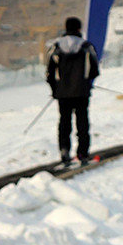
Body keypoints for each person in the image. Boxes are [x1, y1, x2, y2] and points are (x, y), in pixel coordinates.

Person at [46, 17, 100, 165]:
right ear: (79, 29)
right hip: (82, 92)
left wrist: (55, 89)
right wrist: (87, 83)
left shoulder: (56, 47)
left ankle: (64, 150)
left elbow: (49, 72)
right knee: (82, 122)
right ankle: (82, 153)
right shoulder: (87, 46)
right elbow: (95, 70)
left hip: (63, 93)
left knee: (64, 122)